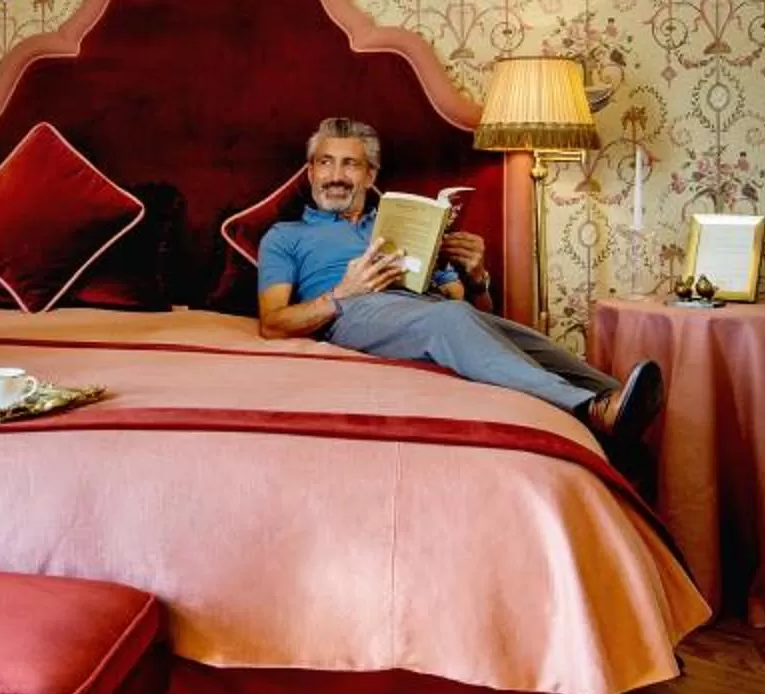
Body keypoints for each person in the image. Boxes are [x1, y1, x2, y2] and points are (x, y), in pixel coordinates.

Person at [257, 115, 661, 453]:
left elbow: (468, 307)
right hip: (354, 310)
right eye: (325, 163)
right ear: (311, 171)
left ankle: (612, 400)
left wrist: (477, 276)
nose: (335, 176)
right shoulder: (286, 236)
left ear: (370, 175)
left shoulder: (402, 224)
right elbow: (273, 324)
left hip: (431, 307)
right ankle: (589, 408)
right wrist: (341, 294)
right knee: (449, 318)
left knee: (529, 340)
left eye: (350, 165)